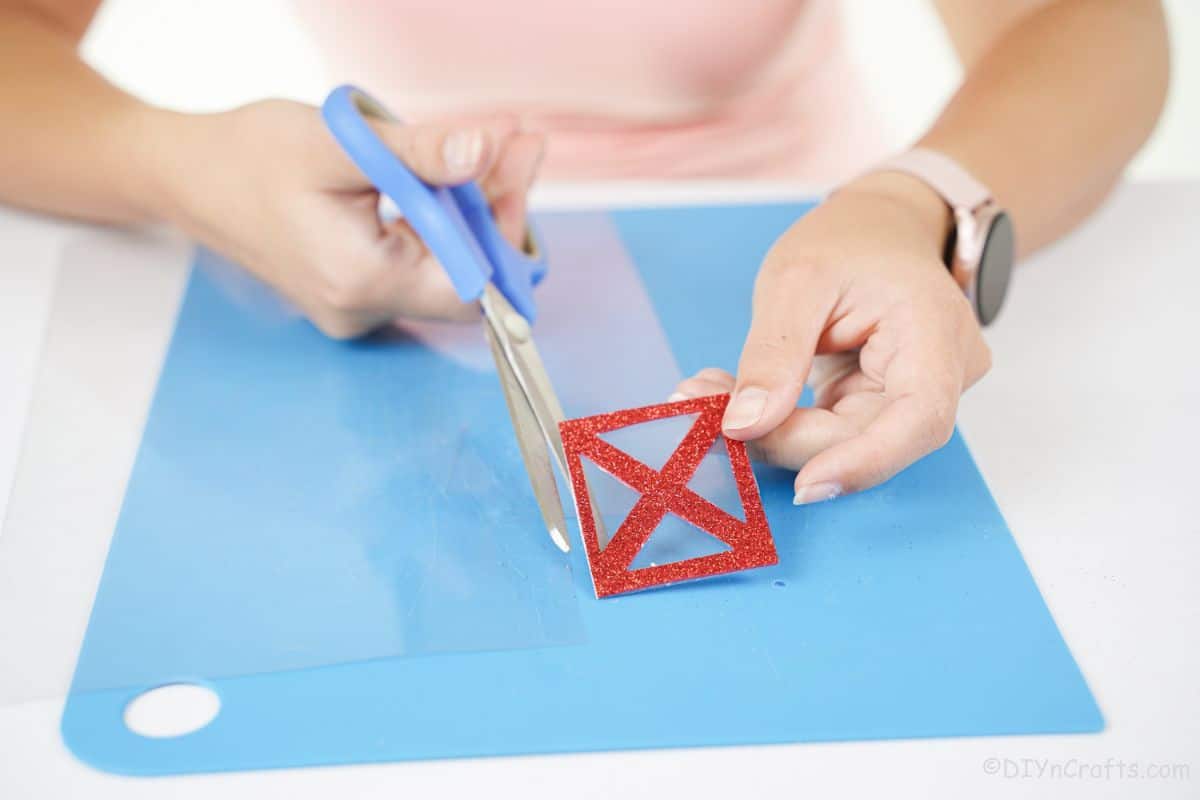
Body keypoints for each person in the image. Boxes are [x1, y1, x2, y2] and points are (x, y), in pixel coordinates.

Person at [0, 1, 1169, 504]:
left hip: (817, 254)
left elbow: (1092, 24)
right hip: (417, 230)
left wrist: (913, 200)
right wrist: (170, 159)